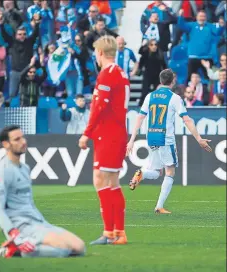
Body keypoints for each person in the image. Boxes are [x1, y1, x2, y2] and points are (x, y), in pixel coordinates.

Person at [0, 125, 86, 258]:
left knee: (80, 247)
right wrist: (13, 233)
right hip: (22, 227)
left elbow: (28, 202)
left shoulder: (25, 168)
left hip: (38, 222)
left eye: (23, 137)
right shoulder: (2, 170)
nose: (23, 142)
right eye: (17, 139)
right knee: (63, 249)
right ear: (6, 144)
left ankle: (20, 249)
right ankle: (14, 250)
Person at [126, 69, 212, 214]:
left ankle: (142, 172)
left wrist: (131, 140)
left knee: (156, 172)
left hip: (152, 137)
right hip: (165, 138)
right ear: (173, 81)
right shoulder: (175, 98)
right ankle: (159, 206)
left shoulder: (150, 96)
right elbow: (186, 119)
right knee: (170, 172)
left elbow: (140, 118)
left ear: (160, 80)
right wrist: (199, 139)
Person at [78, 36, 130, 245]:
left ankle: (110, 232)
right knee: (112, 181)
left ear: (99, 53)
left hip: (108, 133)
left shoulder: (107, 74)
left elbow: (98, 107)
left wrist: (86, 133)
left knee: (101, 180)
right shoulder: (121, 72)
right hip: (116, 131)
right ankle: (117, 232)